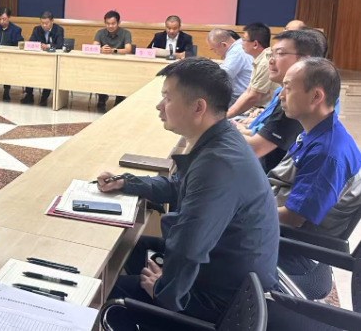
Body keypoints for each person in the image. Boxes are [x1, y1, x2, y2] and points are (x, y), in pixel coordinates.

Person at [99, 57, 279, 326]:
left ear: (198, 107)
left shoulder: (217, 164)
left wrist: (162, 292)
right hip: (223, 270)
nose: (159, 106)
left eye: (167, 98)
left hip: (220, 302)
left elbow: (189, 248)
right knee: (131, 247)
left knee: (103, 290)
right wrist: (127, 182)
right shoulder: (221, 139)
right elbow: (179, 186)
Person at [269, 58, 361, 299]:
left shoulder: (327, 153)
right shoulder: (318, 131)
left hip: (296, 248)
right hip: (287, 230)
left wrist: (245, 209)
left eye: (288, 88)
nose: (280, 95)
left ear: (316, 96)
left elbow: (293, 218)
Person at [233, 30, 324, 173]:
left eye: (280, 54)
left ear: (304, 60)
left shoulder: (298, 101)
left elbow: (255, 148)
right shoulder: (290, 92)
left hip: (271, 179)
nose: (271, 61)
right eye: (271, 54)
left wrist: (217, 126)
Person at [226, 23, 277, 118]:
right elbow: (248, 91)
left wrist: (227, 116)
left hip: (267, 111)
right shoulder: (259, 59)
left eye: (244, 39)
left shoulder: (265, 62)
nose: (241, 43)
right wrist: (229, 113)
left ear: (255, 44)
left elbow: (253, 97)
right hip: (258, 109)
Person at [22, 11, 63, 106]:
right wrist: (37, 45)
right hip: (38, 59)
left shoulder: (59, 29)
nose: (44, 25)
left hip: (52, 60)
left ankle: (44, 97)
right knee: (30, 69)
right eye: (42, 23)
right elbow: (31, 42)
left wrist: (47, 46)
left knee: (50, 73)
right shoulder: (37, 29)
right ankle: (29, 95)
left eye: (46, 23)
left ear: (52, 21)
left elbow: (60, 45)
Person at [94, 10, 133, 109]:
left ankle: (119, 97)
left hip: (121, 64)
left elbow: (128, 49)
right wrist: (100, 50)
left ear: (119, 22)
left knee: (122, 72)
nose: (110, 26)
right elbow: (94, 47)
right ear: (104, 23)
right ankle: (102, 96)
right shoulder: (100, 32)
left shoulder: (126, 33)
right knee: (98, 71)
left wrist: (113, 51)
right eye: (108, 23)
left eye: (113, 23)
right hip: (104, 64)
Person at [206, 28, 252, 106]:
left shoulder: (236, 52)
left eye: (214, 50)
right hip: (241, 96)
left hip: (238, 100)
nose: (215, 53)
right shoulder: (239, 46)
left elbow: (221, 77)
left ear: (224, 45)